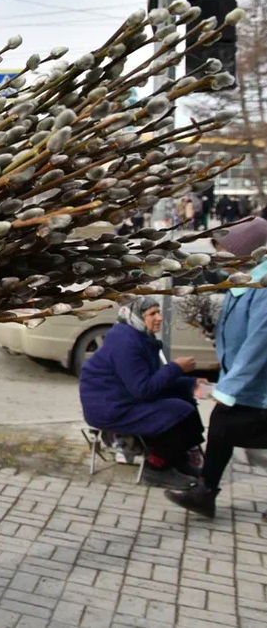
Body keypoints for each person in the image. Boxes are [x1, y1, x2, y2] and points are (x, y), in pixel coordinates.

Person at [165, 217, 267, 518]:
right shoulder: (246, 282)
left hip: (257, 385)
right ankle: (205, 493)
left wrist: (228, 388)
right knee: (223, 427)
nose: (219, 257)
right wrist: (213, 331)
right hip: (252, 384)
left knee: (224, 425)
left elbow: (259, 342)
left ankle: (205, 493)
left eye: (224, 251)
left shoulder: (263, 286)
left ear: (246, 253)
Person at [80, 297, 208, 488]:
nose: (159, 318)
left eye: (158, 312)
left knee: (185, 403)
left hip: (124, 399)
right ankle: (156, 468)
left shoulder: (139, 336)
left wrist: (190, 384)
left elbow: (153, 380)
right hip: (111, 408)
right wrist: (176, 368)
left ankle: (177, 460)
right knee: (178, 411)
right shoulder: (126, 343)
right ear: (136, 317)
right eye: (152, 314)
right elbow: (144, 389)